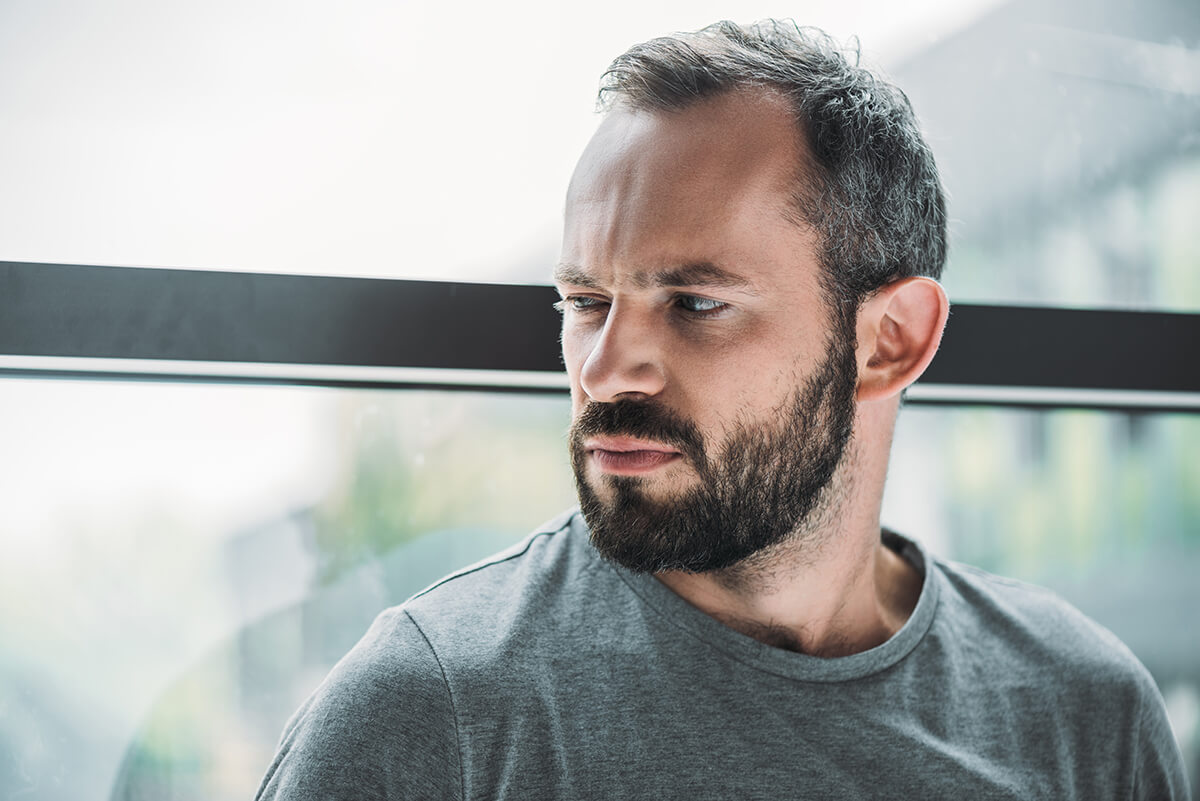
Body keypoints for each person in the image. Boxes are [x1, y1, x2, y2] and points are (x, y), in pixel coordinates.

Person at [256, 20, 1190, 800]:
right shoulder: (433, 712)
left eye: (696, 305)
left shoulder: (1081, 711)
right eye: (587, 303)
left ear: (890, 339)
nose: (605, 370)